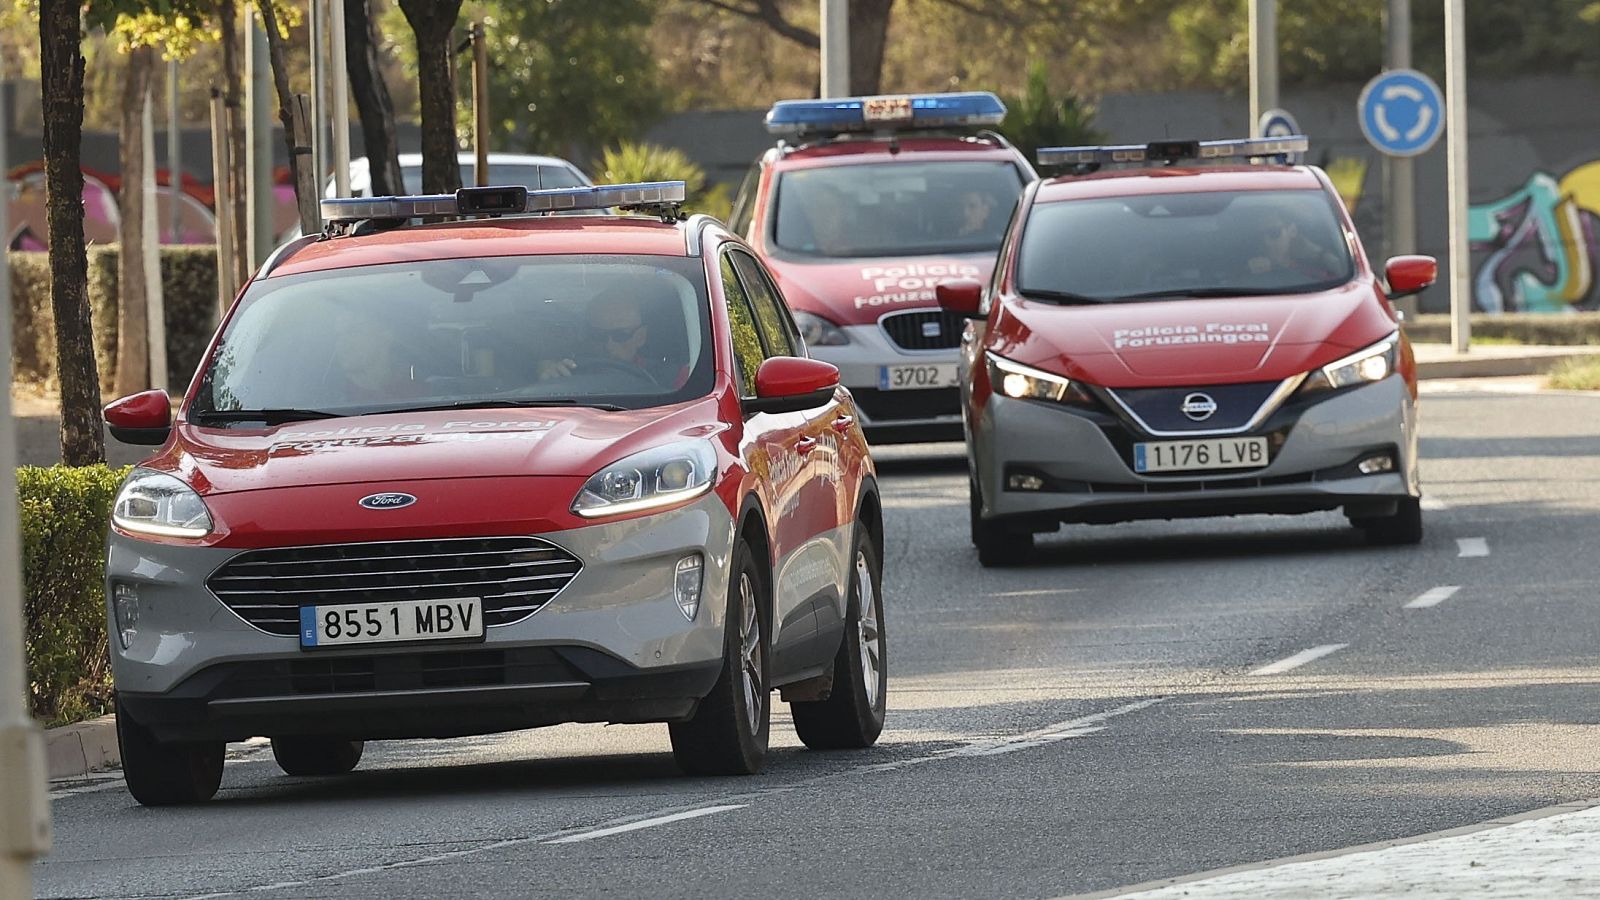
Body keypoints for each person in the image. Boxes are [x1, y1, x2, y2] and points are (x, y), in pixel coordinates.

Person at [540, 286, 688, 388]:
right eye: (598, 335)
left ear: (640, 337)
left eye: (620, 335)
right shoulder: (566, 369)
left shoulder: (674, 379)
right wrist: (547, 375)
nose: (608, 344)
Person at [1246, 210, 1342, 280]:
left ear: (1292, 231)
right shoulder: (1244, 266)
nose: (1266, 241)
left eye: (1274, 232)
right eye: (1259, 236)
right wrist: (1246, 270)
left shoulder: (1318, 263)